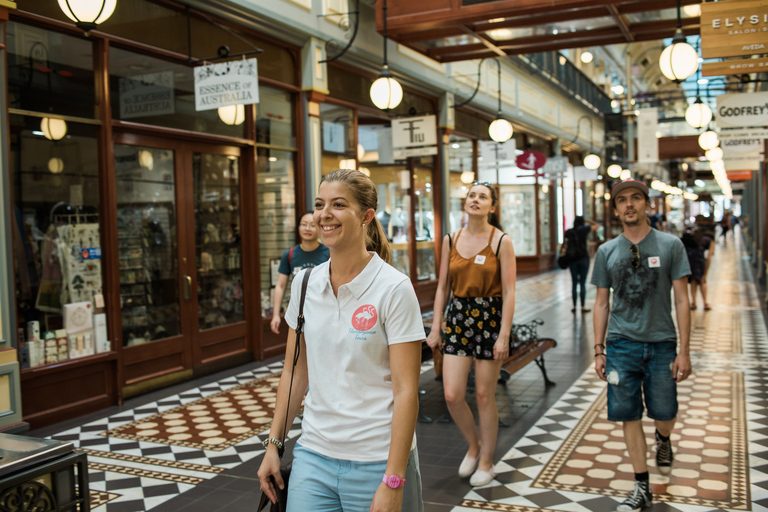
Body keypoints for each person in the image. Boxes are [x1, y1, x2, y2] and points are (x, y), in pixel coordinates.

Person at [258, 169, 425, 512]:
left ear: (366, 216)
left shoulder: (393, 288)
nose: (324, 214)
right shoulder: (303, 284)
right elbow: (294, 373)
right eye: (320, 205)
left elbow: (406, 390)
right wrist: (274, 445)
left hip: (377, 460)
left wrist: (393, 480)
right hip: (314, 457)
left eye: (338, 204)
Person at [592, 179, 691, 512]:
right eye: (622, 200)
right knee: (628, 415)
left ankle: (664, 438)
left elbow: (682, 300)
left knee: (664, 413)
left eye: (636, 198)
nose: (629, 204)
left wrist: (684, 350)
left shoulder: (670, 245)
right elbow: (601, 303)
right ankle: (642, 486)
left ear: (648, 204)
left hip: (662, 343)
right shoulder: (606, 251)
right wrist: (598, 348)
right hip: (621, 345)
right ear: (616, 208)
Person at [426, 182, 516, 487]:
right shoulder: (451, 239)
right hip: (459, 317)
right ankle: (474, 445)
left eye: (482, 197)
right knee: (452, 394)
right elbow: (442, 287)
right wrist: (436, 326)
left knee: (482, 394)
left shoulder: (501, 240)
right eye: (471, 195)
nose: (474, 200)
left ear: (492, 207)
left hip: (490, 318)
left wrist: (504, 334)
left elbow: (510, 291)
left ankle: (487, 462)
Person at [270, 212, 329, 334]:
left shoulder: (329, 253)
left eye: (312, 225)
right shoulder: (290, 255)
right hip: (298, 312)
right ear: (298, 227)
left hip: (324, 312)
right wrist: (276, 314)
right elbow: (280, 286)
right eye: (303, 224)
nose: (307, 228)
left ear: (319, 228)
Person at [562, 216, 600, 313]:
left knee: (574, 283)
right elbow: (597, 225)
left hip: (572, 259)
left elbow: (565, 245)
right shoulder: (584, 229)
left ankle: (574, 306)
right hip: (583, 259)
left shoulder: (569, 232)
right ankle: (583, 306)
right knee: (582, 283)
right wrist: (588, 220)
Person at [681, 227, 714, 311]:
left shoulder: (692, 240)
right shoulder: (709, 240)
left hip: (690, 261)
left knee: (693, 280)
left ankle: (693, 302)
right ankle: (705, 303)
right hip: (700, 262)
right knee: (702, 281)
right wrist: (705, 273)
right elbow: (709, 256)